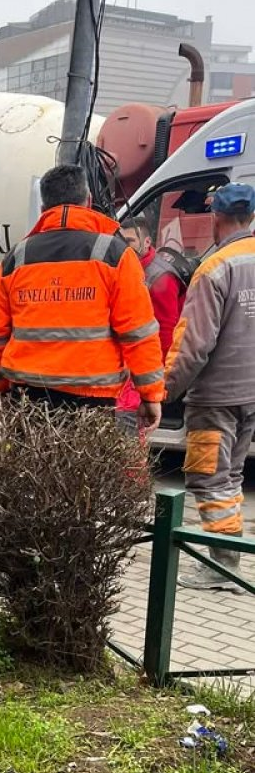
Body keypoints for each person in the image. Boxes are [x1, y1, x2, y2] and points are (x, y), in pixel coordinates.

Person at [0, 164, 165, 427]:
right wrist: (150, 394)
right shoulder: (114, 254)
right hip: (92, 401)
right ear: (88, 201)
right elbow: (138, 332)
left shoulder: (17, 257)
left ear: (43, 208)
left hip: (26, 400)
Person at [165, 182, 255, 591]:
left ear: (216, 218)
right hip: (249, 394)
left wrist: (163, 391)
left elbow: (193, 344)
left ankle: (223, 566)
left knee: (209, 477)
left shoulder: (215, 267)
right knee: (231, 475)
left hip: (216, 396)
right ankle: (228, 554)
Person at [115, 216, 186, 432]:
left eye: (130, 241)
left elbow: (166, 335)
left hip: (143, 372)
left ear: (147, 242)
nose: (124, 247)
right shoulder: (133, 268)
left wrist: (155, 387)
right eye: (121, 241)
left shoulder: (160, 277)